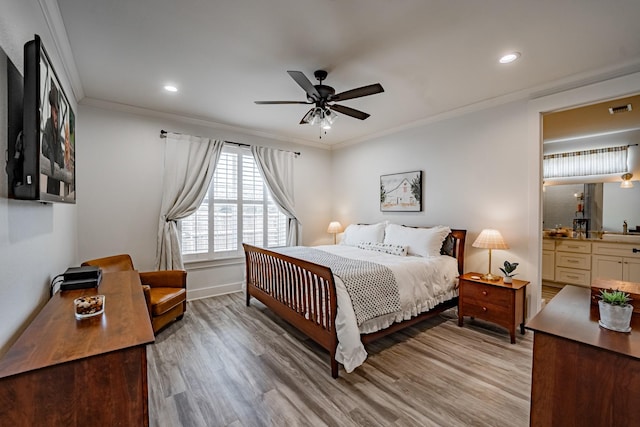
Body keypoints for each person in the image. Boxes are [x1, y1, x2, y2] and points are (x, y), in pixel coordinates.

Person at [41, 81, 65, 196]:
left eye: (58, 113)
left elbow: (60, 149)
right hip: (51, 170)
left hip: (57, 171)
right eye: (55, 112)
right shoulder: (48, 124)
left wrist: (60, 159)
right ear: (51, 110)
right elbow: (44, 144)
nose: (56, 116)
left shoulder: (58, 130)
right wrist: (50, 154)